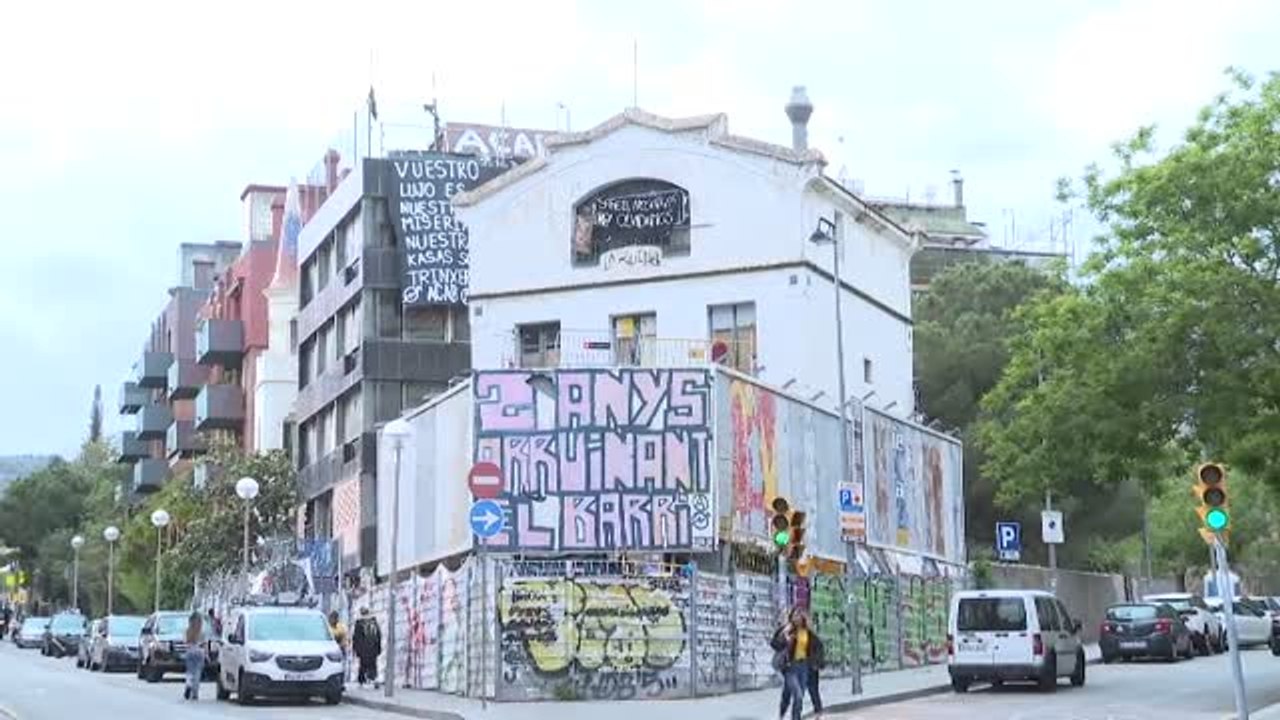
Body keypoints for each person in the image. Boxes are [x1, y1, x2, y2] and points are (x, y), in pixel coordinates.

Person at [771, 609, 825, 720]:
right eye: (795, 616)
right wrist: (785, 637)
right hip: (790, 667)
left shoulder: (808, 633)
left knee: (791, 694)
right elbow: (774, 644)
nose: (797, 618)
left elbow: (818, 647)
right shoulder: (787, 630)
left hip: (804, 667)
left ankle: (793, 716)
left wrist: (816, 662)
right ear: (791, 618)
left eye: (799, 616)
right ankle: (784, 714)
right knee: (798, 695)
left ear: (803, 618)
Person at [351, 607, 382, 688]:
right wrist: (356, 649)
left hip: (372, 648)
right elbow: (356, 638)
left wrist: (378, 647)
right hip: (364, 649)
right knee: (363, 664)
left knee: (372, 664)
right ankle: (362, 680)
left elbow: (378, 636)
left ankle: (372, 679)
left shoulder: (373, 623)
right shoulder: (359, 624)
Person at [183, 612, 207, 701]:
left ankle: (188, 683)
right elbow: (204, 644)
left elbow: (185, 642)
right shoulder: (202, 632)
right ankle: (195, 693)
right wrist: (206, 654)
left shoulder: (188, 631)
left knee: (190, 671)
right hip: (199, 651)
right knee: (197, 672)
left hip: (190, 651)